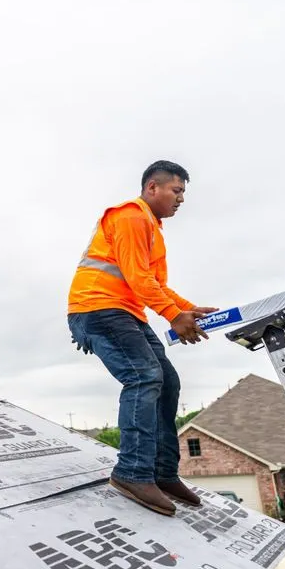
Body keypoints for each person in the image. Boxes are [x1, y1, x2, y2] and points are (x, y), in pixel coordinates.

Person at [66, 160, 216, 516]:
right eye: (176, 191)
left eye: (183, 193)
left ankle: (162, 473)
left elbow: (155, 284)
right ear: (153, 187)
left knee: (168, 381)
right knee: (144, 376)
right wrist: (174, 316)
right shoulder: (132, 217)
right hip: (98, 308)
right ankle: (132, 472)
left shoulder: (151, 227)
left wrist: (188, 309)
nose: (181, 199)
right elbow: (138, 278)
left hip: (124, 311)